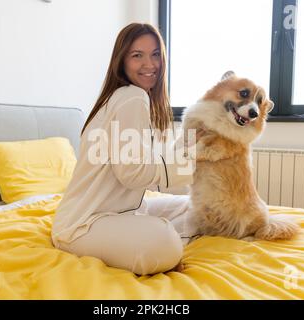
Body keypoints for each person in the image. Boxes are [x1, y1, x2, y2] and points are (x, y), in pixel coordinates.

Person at [51, 23, 203, 276]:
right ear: (121, 61)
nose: (150, 64)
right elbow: (133, 174)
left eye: (155, 54)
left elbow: (147, 161)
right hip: (83, 224)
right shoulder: (132, 97)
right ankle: (158, 242)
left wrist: (188, 146)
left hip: (120, 210)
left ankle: (146, 236)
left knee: (192, 207)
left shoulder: (124, 98)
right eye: (137, 55)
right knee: (164, 242)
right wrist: (191, 160)